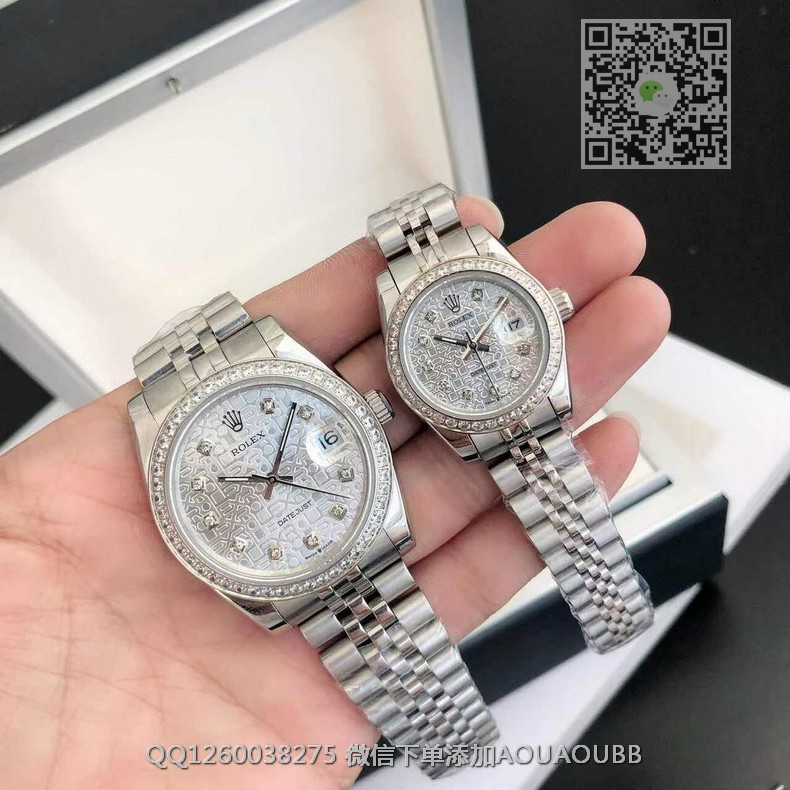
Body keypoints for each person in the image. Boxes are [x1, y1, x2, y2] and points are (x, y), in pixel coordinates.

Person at [0, 197, 669, 787]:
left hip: (344, 528)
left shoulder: (295, 367)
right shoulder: (165, 439)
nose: (270, 481)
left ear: (366, 413)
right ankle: (455, 743)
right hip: (302, 566)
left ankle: (457, 744)